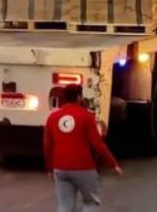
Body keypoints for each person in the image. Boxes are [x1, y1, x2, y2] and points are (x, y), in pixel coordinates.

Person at [44, 84, 122, 212]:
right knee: (91, 202)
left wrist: (49, 168)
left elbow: (47, 145)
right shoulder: (87, 116)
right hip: (84, 167)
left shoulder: (52, 117)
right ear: (79, 97)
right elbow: (97, 144)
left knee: (64, 207)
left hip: (60, 168)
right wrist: (113, 164)